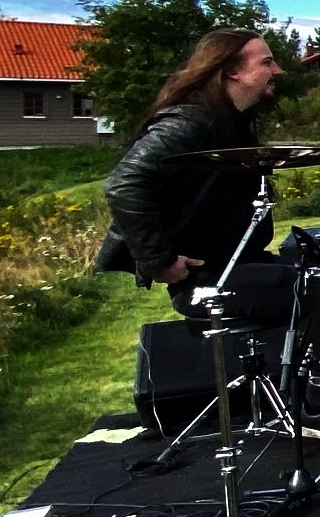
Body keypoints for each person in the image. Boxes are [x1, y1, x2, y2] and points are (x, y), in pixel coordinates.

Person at [95, 29, 286, 313]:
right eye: (266, 62)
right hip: (208, 280)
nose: (277, 70)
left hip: (236, 263)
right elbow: (125, 183)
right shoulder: (191, 121)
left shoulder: (229, 120)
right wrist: (158, 261)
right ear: (233, 71)